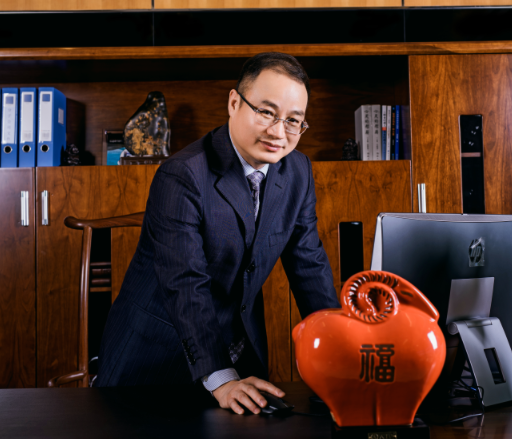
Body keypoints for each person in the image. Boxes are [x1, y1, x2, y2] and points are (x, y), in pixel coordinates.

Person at [96, 52, 340, 415]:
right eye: (266, 112)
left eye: (293, 120)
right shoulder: (183, 175)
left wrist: (340, 352)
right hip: (156, 358)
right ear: (234, 103)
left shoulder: (297, 171)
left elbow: (309, 265)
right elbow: (185, 282)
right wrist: (220, 377)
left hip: (239, 353)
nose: (278, 132)